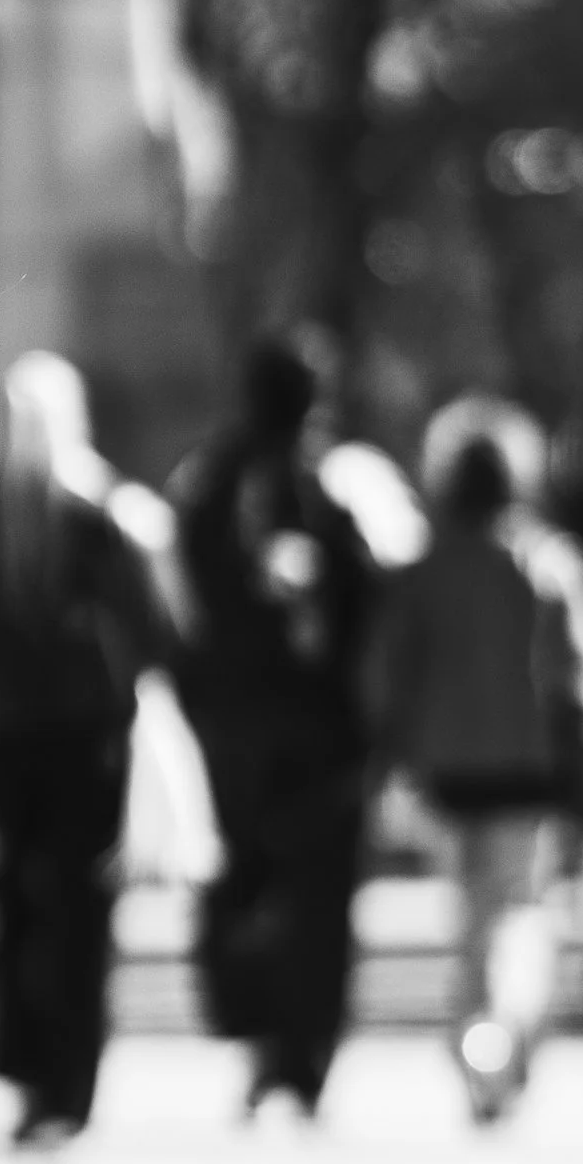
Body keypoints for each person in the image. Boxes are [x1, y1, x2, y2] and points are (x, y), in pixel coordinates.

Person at [0, 352, 166, 1144]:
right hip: (84, 748)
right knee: (75, 911)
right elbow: (157, 634)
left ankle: (26, 1065)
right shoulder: (109, 518)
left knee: (18, 900)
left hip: (7, 740)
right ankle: (63, 1083)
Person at [168, 332, 377, 1117]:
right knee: (317, 898)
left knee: (244, 885)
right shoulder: (344, 481)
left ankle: (261, 1046)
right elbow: (379, 598)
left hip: (232, 726)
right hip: (322, 732)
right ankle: (302, 1058)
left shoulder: (206, 482)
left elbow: (182, 606)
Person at [370, 423, 583, 1125]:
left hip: (447, 769)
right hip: (528, 770)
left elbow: (384, 675)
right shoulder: (547, 565)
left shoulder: (424, 570)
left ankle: (476, 1039)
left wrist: (396, 755)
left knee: (472, 914)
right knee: (519, 913)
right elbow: (580, 677)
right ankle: (500, 1031)